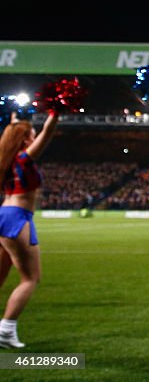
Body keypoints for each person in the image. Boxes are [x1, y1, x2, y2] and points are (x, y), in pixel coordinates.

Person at [0, 110, 58, 349]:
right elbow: (48, 133)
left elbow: (13, 136)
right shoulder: (24, 158)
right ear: (24, 140)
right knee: (30, 278)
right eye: (31, 135)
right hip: (17, 218)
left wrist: (14, 122)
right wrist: (56, 113)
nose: (35, 138)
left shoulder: (5, 159)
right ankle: (6, 330)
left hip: (3, 213)